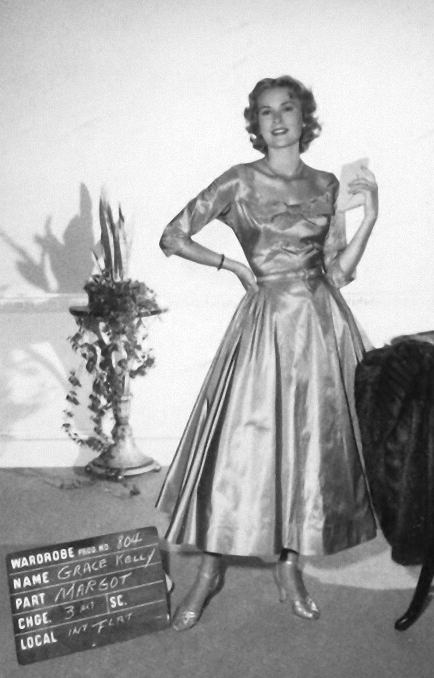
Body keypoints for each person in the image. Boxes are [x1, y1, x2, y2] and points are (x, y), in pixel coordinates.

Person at [156, 75, 378, 630]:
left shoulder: (328, 184)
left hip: (321, 328)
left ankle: (290, 567)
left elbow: (337, 272)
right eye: (265, 111)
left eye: (287, 108)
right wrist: (232, 265)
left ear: (305, 117)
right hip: (265, 327)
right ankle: (210, 572)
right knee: (240, 452)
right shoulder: (239, 180)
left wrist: (369, 219)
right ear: (255, 123)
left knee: (309, 451)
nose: (277, 119)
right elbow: (173, 235)